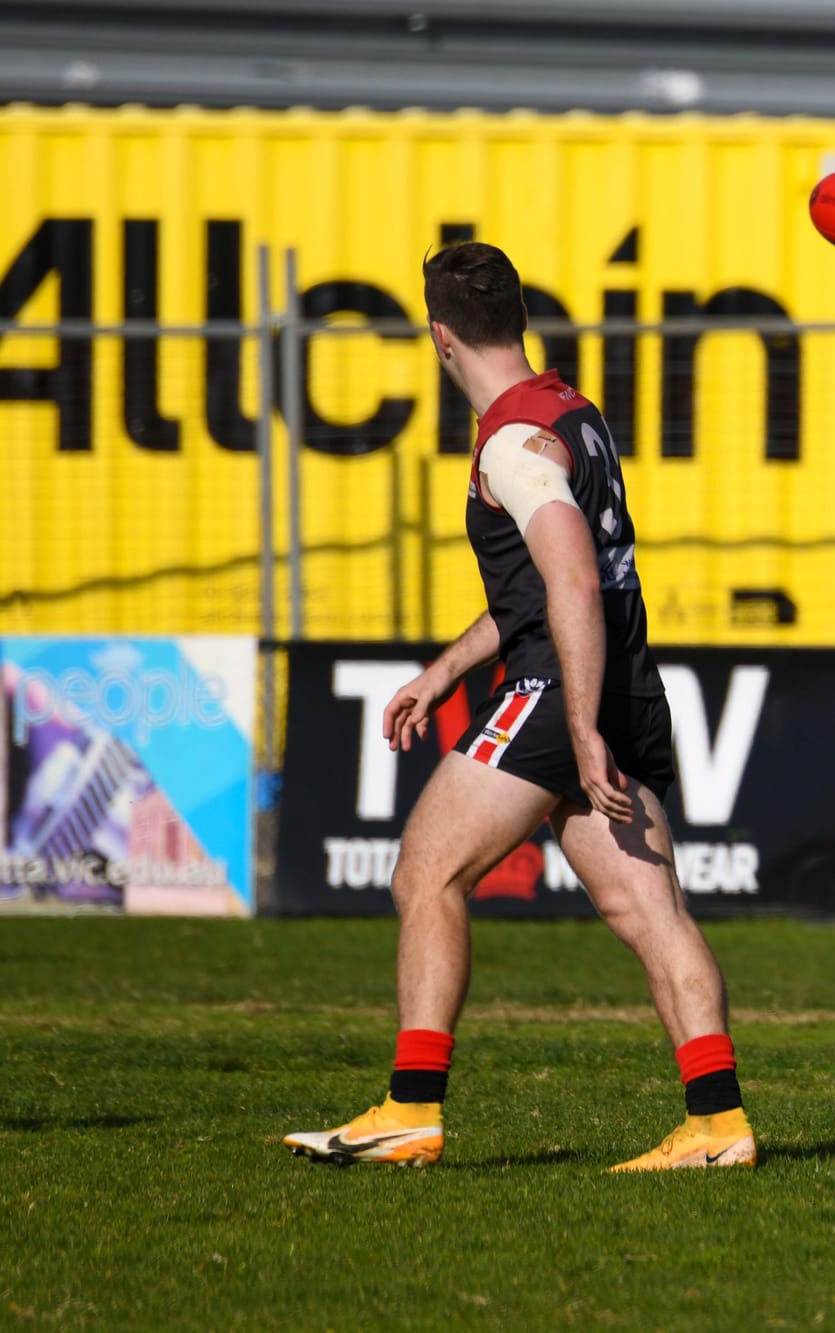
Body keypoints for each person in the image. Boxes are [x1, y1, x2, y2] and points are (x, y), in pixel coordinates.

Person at [284, 242, 757, 1170]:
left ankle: (411, 1107)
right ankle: (718, 1123)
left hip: (561, 688)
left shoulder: (510, 439)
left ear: (438, 336)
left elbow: (572, 582)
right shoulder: (571, 415)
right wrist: (448, 668)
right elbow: (545, 584)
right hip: (622, 678)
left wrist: (575, 726)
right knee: (650, 911)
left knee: (427, 873)